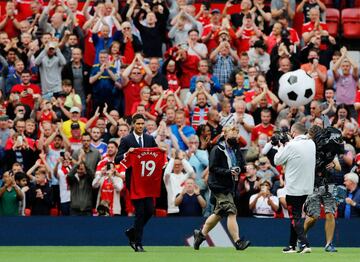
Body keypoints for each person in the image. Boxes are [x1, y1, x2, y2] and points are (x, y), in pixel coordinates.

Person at [193, 125, 250, 251]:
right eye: (232, 135)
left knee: (218, 214)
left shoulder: (236, 149)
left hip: (230, 186)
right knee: (231, 210)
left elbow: (241, 163)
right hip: (218, 185)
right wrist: (228, 171)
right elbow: (213, 168)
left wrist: (242, 168)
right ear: (225, 135)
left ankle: (200, 235)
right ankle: (238, 242)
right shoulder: (217, 149)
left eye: (236, 135)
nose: (234, 138)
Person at [115, 114, 159, 252]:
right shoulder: (126, 140)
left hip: (147, 182)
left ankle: (132, 231)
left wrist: (165, 153)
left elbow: (157, 153)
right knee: (140, 212)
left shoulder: (150, 139)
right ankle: (138, 242)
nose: (140, 126)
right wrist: (127, 153)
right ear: (133, 124)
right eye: (138, 124)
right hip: (133, 182)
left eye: (142, 123)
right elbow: (117, 159)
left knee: (150, 210)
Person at [274, 122, 316, 253]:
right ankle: (291, 246)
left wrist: (281, 146)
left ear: (293, 132)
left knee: (295, 217)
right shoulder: (311, 143)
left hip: (294, 188)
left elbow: (277, 161)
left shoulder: (291, 145)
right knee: (296, 215)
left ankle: (305, 244)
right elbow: (298, 151)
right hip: (307, 187)